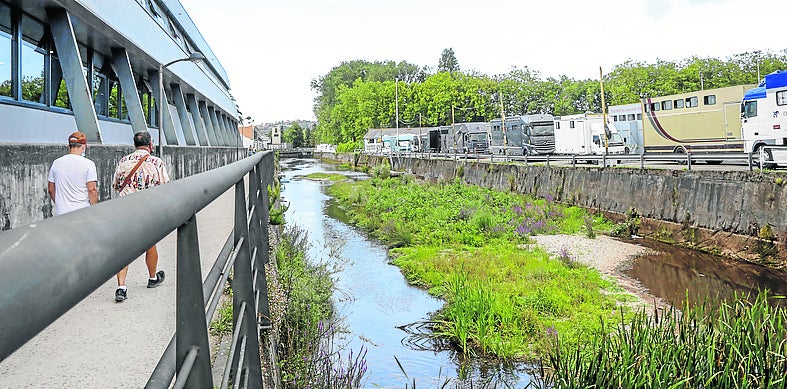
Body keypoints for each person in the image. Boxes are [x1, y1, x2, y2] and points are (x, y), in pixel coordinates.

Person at [111, 131, 170, 302]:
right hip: (148, 209)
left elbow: (116, 185)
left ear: (134, 145)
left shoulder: (123, 161)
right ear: (150, 145)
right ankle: (152, 278)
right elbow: (165, 186)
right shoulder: (156, 162)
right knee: (150, 244)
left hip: (126, 209)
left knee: (124, 248)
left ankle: (121, 288)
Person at [47, 131, 98, 215]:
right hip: (83, 212)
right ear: (83, 147)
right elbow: (92, 190)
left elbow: (50, 189)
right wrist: (95, 210)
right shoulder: (89, 164)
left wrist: (61, 205)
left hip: (62, 213)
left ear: (68, 146)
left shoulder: (56, 163)